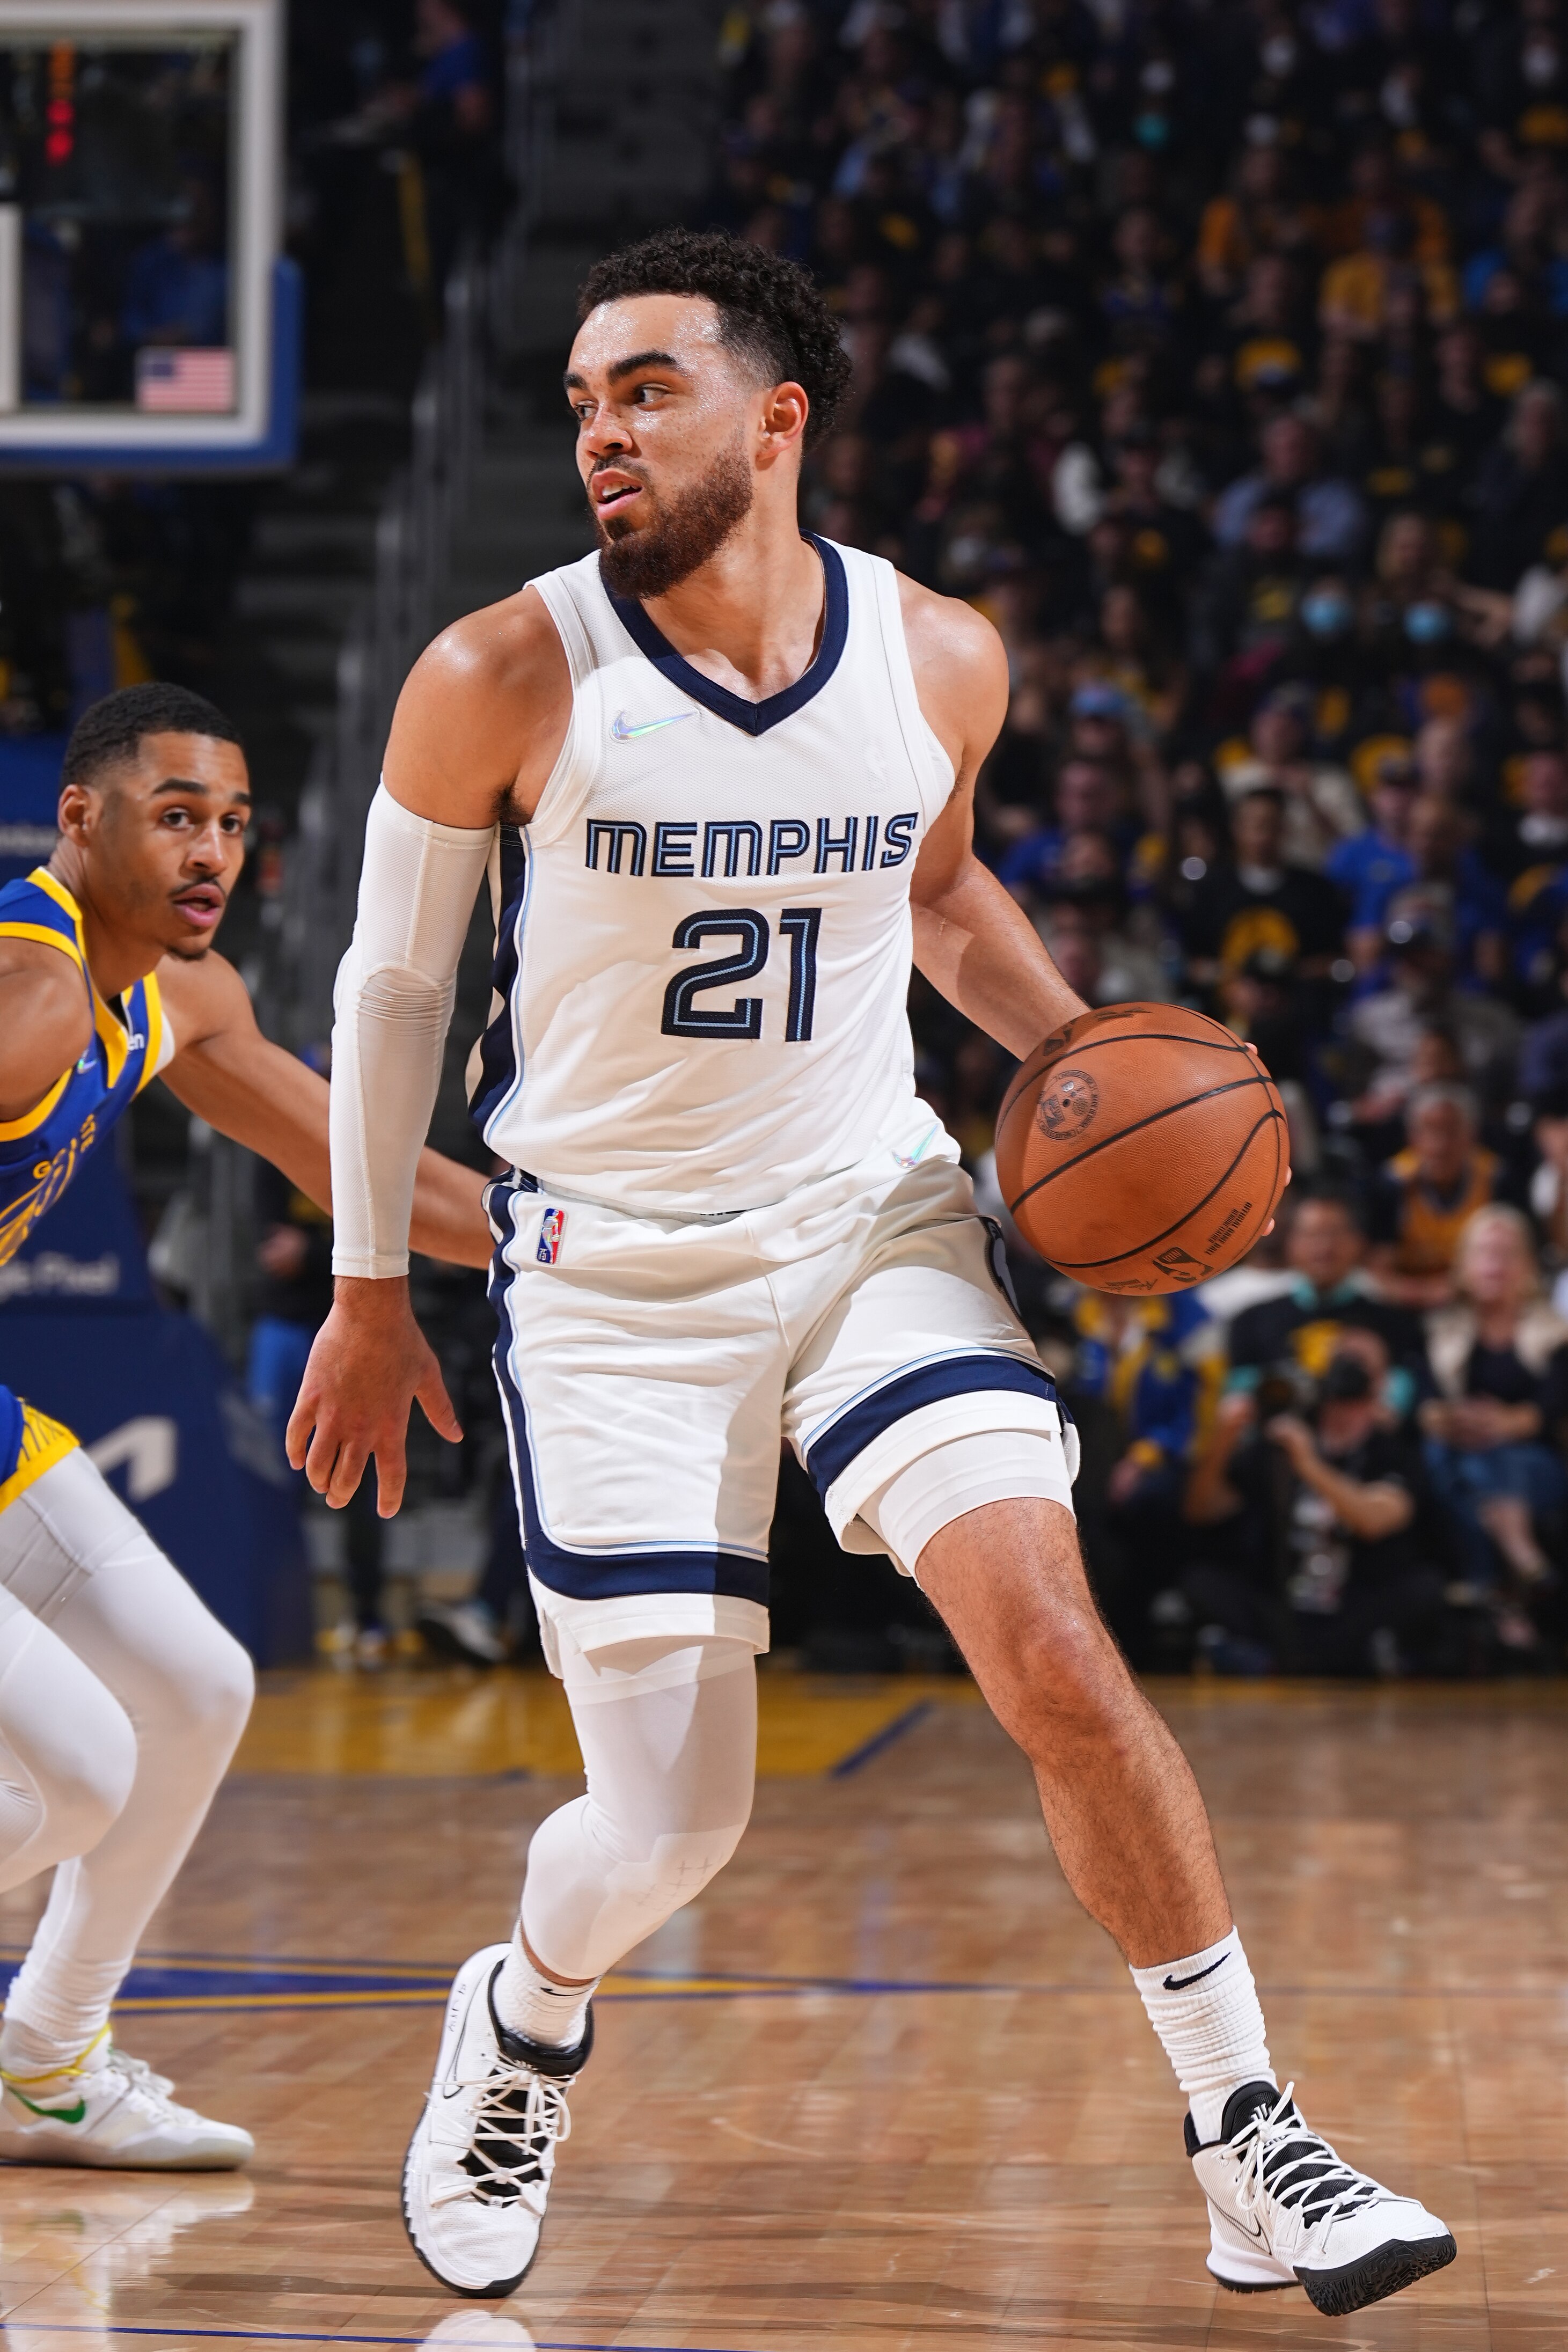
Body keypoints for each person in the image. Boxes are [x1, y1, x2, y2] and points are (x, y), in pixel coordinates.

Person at [290, 232, 1454, 2312]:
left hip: (867, 1225)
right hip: (610, 1280)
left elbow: (933, 886)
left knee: (1055, 1655)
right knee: (671, 1828)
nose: (601, 433)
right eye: (582, 403)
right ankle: (523, 2013)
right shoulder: (498, 671)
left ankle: (1246, 2134)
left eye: (647, 390)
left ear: (777, 418)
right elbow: (389, 993)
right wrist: (369, 1290)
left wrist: (1090, 1070)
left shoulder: (937, 656)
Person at [0, 682, 492, 2169]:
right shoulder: (29, 997)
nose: (211, 850)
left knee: (199, 1688)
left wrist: (596, 1239)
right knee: (76, 1772)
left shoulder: (180, 995)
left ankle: (43, 2064)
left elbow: (366, 1172)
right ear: (79, 819)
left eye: (229, 822)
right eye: (175, 817)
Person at [1183, 1334, 1446, 1677]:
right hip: (1283, 1602)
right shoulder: (1280, 1440)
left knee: (1424, 1587)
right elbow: (1202, 1510)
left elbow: (1374, 1521)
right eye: (1341, 1360)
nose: (1347, 1370)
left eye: (1361, 1364)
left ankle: (1281, 1658)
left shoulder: (1394, 1451)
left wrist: (1309, 1465)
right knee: (1202, 1579)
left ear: (1382, 1385)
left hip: (1354, 1601)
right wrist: (1224, 1438)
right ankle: (1311, 1657)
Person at [1420, 1205, 1568, 1647]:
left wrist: (1501, 1423)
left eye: (1506, 1254)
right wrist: (1457, 1421)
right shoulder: (1441, 1330)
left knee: (1492, 1458)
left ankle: (1486, 1583)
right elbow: (1427, 1409)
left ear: (1526, 1264)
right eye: (1484, 1253)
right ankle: (1520, 1558)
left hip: (1537, 1464)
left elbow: (1548, 1413)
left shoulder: (1555, 1334)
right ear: (1464, 1265)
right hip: (1460, 1452)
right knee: (1448, 1457)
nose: (1494, 1265)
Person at [1368, 1083, 1507, 1307]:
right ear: (1412, 1137)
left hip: (1479, 1302)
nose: (1441, 1145)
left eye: (1452, 1131)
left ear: (1472, 1135)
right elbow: (1379, 1274)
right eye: (1429, 1130)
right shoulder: (1392, 1184)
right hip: (1407, 1307)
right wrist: (1429, 1294)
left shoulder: (1497, 1178)